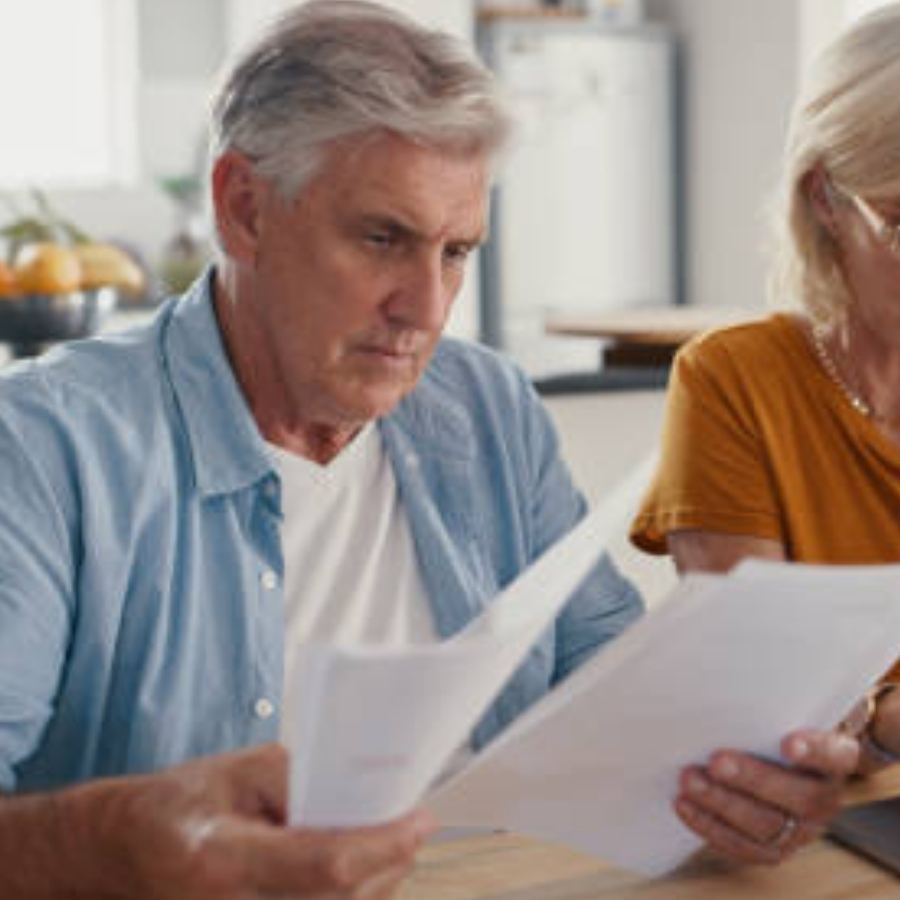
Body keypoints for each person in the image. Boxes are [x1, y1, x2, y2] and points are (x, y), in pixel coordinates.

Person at [0, 1, 859, 895]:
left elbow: (607, 684)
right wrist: (107, 841)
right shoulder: (45, 449)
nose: (426, 309)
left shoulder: (484, 407)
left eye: (457, 252)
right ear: (244, 208)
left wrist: (733, 775)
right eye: (383, 238)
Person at [631, 4, 900, 792]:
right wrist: (882, 721)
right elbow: (770, 703)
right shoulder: (734, 383)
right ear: (824, 199)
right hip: (821, 827)